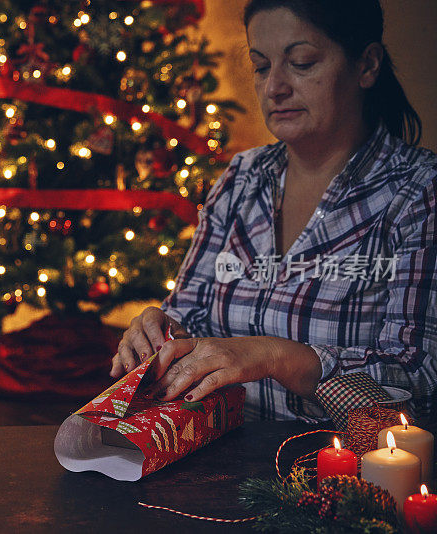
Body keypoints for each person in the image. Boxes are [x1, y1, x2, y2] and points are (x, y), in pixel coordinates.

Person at [111, 0, 437, 426]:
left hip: (339, 477)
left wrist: (277, 356)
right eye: (262, 66)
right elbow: (189, 314)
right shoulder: (242, 178)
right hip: (216, 462)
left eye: (301, 62)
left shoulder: (418, 192)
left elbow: (420, 383)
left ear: (367, 65)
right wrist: (159, 330)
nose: (273, 88)